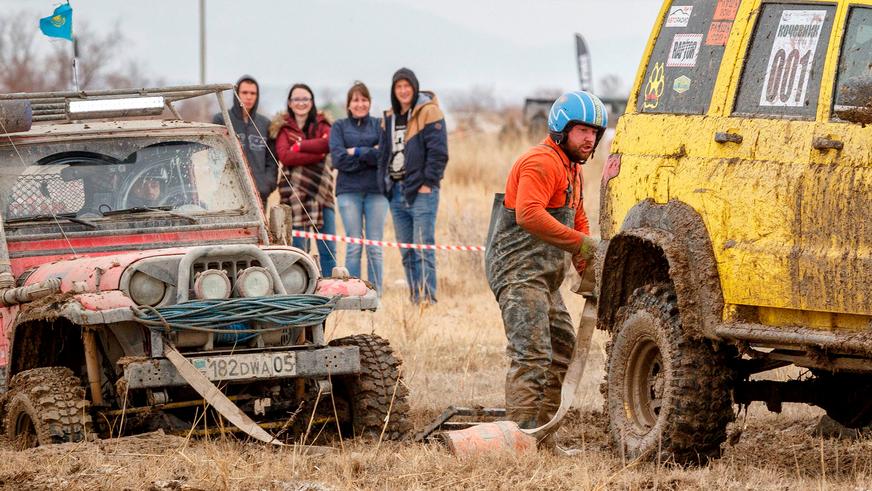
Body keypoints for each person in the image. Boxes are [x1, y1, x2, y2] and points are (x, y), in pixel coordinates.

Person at [485, 91, 607, 447]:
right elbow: (528, 215)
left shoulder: (573, 170)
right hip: (518, 272)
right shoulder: (541, 162)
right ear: (561, 129)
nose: (589, 139)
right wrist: (582, 244)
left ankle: (542, 438)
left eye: (594, 132)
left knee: (562, 348)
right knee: (532, 353)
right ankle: (520, 441)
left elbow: (578, 220)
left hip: (544, 279)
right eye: (582, 130)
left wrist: (588, 266)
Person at [378, 68, 448, 304]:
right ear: (393, 90)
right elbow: (384, 154)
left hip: (421, 192)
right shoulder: (389, 117)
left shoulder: (429, 112)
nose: (403, 91)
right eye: (398, 87)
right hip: (396, 191)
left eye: (407, 86)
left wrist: (428, 183)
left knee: (423, 246)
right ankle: (415, 297)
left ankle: (428, 298)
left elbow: (439, 153)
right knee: (407, 250)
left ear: (414, 87)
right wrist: (383, 185)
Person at [329, 82, 388, 294]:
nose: (360, 104)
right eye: (355, 100)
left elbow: (383, 156)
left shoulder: (380, 125)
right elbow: (338, 159)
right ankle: (353, 294)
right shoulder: (339, 126)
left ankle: (375, 295)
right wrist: (370, 153)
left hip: (377, 192)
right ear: (348, 104)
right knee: (354, 245)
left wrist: (355, 151)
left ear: (369, 102)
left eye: (364, 99)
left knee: (375, 246)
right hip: (348, 192)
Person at [272, 83, 336, 276]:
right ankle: (303, 287)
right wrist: (316, 155)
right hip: (294, 196)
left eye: (305, 99)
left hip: (322, 194)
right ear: (290, 103)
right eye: (296, 99)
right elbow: (285, 156)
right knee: (299, 250)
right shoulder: (283, 128)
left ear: (312, 102)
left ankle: (329, 287)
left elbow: (327, 144)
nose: (301, 103)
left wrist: (299, 146)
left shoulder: (323, 124)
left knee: (328, 249)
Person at [212, 75, 277, 209]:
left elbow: (272, 160)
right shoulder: (222, 119)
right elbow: (214, 157)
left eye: (253, 93)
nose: (249, 97)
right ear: (237, 94)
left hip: (259, 195)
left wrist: (267, 184)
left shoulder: (265, 124)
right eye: (245, 92)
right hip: (230, 194)